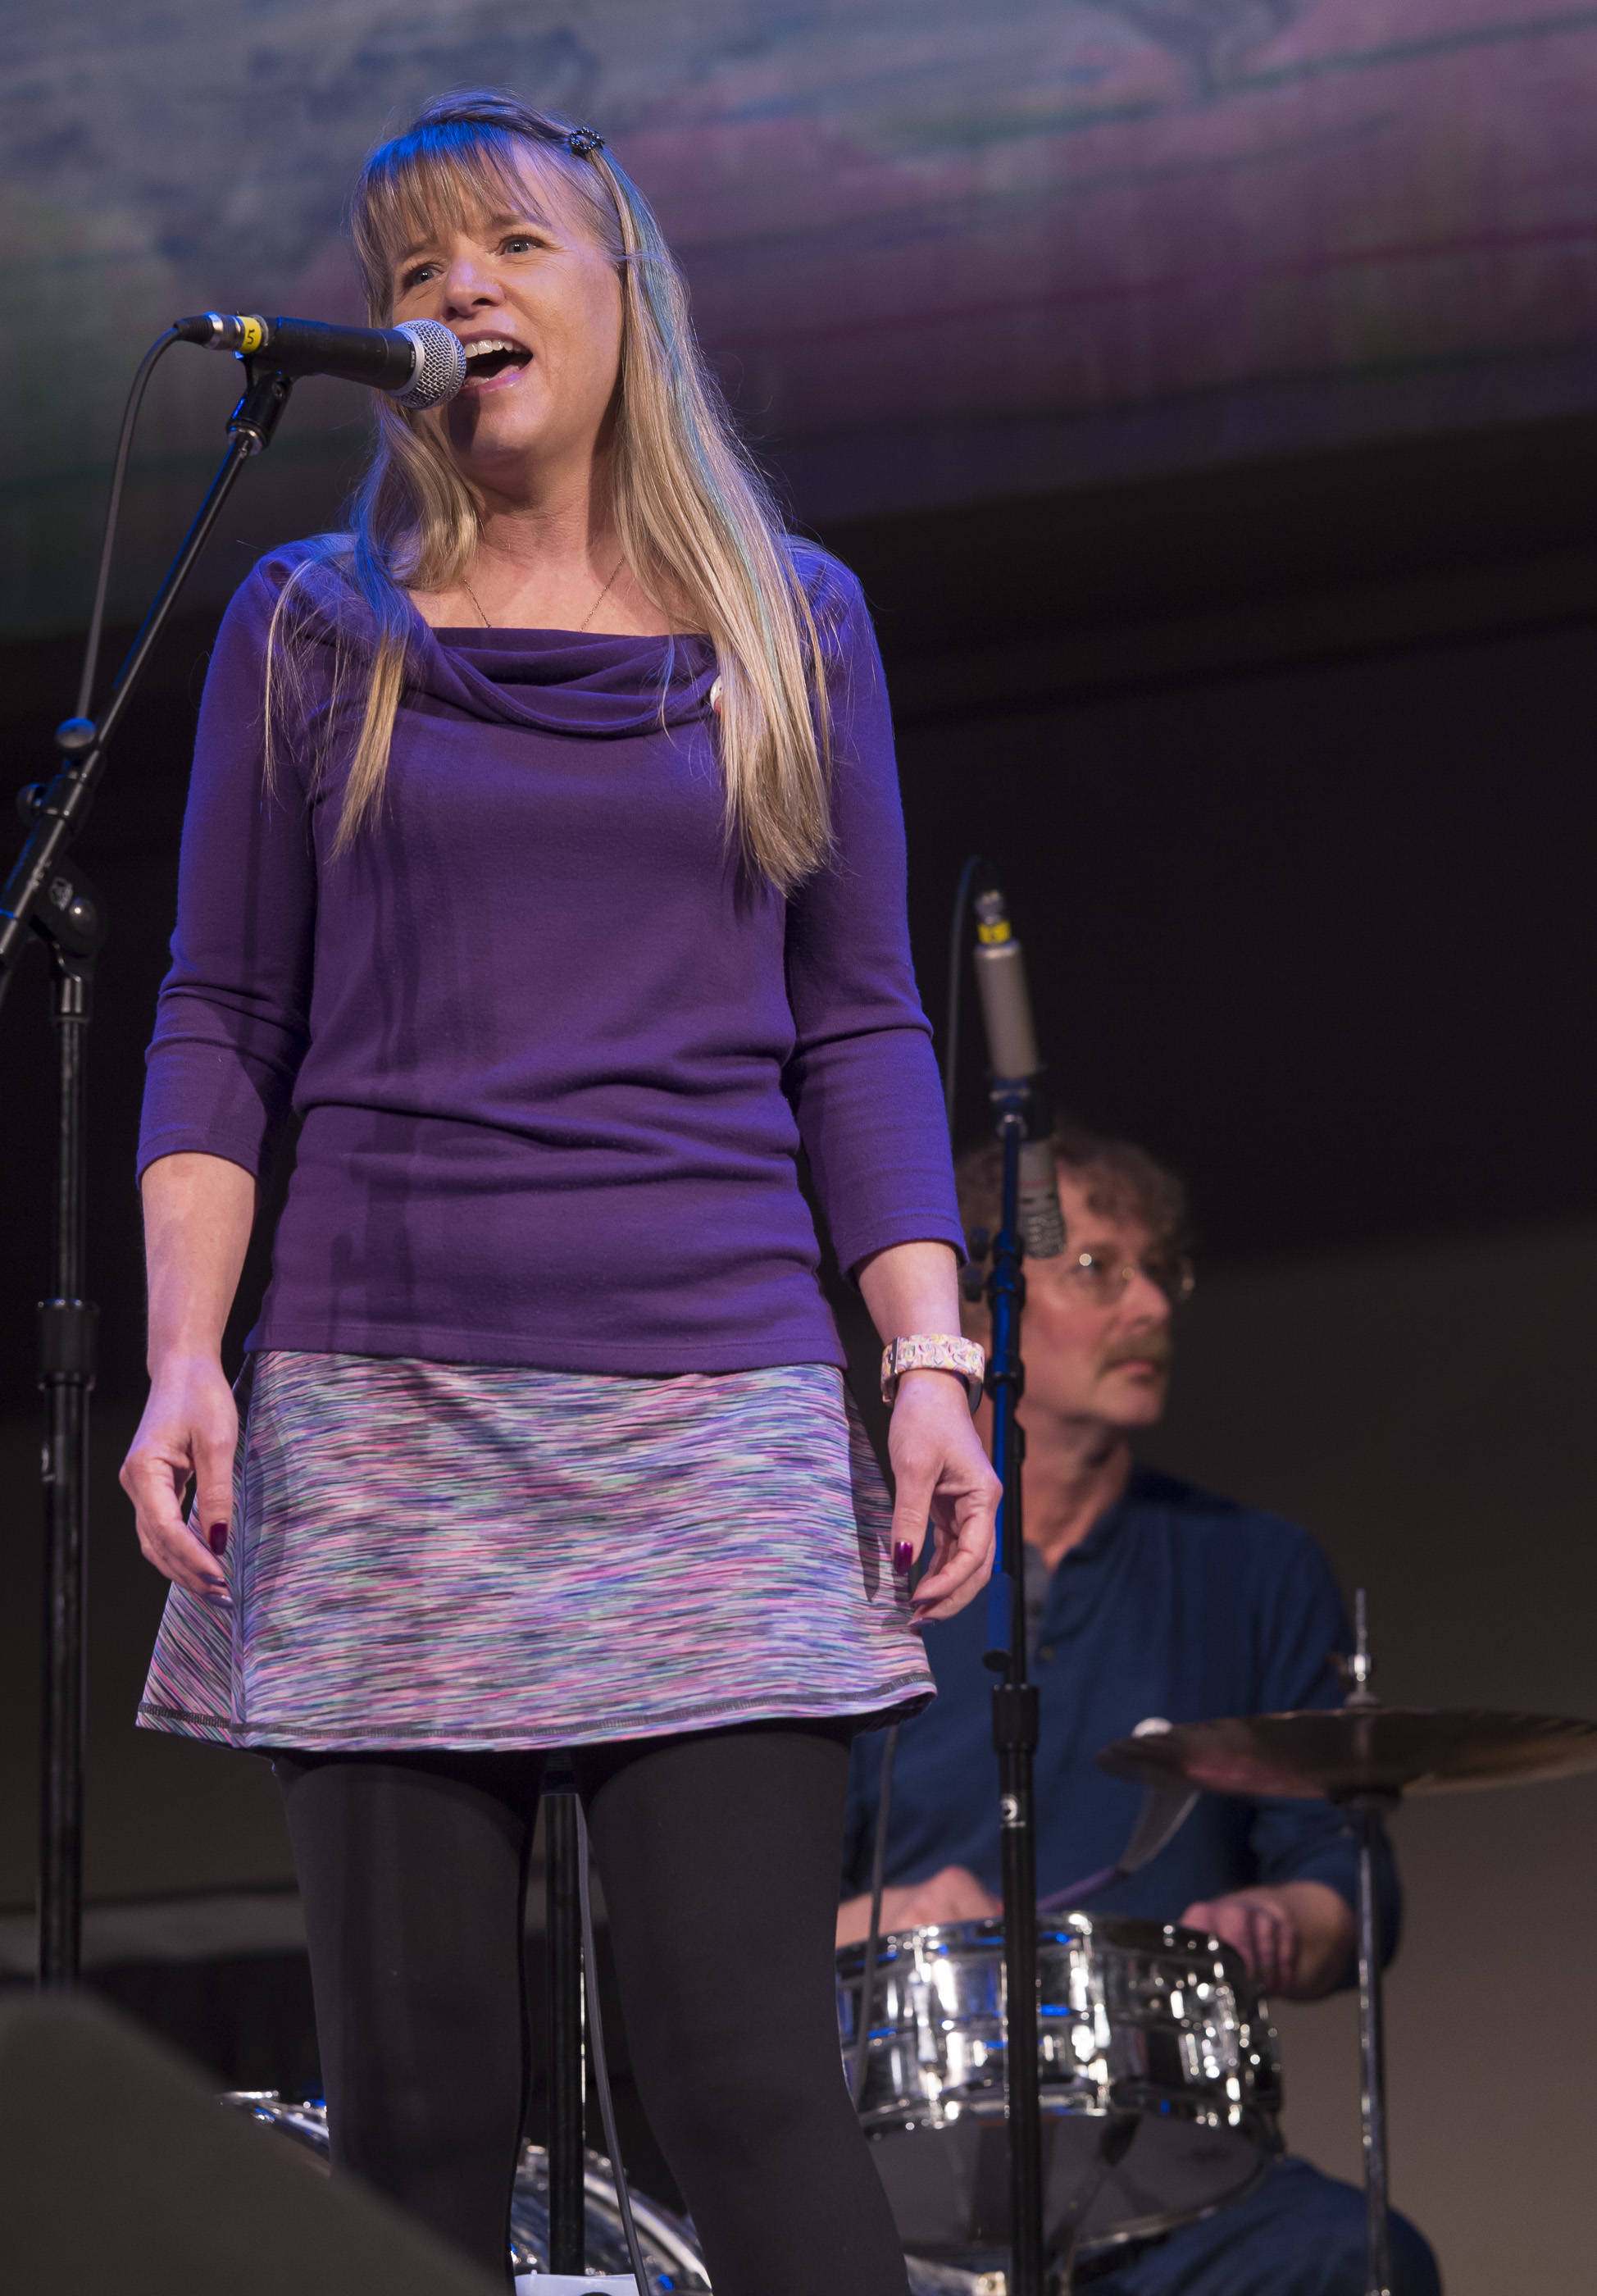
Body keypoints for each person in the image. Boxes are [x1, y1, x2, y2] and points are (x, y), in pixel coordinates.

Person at [118, 90, 999, 2296]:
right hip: (382, 1419)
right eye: (415, 274)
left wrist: (925, 1355)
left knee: (739, 2081)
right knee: (415, 2111)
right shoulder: (317, 629)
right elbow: (223, 1017)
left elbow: (859, 1025)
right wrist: (178, 1364)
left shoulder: (791, 625)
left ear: (627, 301)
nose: (457, 299)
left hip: (707, 1419)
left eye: (507, 250)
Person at [839, 1123, 1441, 2295]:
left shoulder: (1256, 1568)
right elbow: (714, 1915)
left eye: (1163, 1270)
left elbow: (1346, 1883)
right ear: (974, 1308)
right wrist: (880, 1919)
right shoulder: (849, 1567)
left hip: (1171, 2174)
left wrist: (1283, 1920)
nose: (1151, 1304)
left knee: (1355, 2259)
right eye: (1097, 1269)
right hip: (886, 2158)